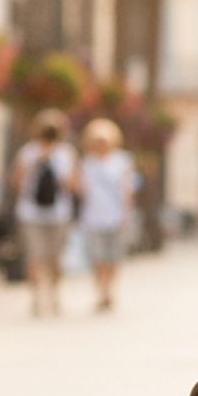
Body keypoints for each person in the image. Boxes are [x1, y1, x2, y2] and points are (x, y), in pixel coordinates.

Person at [10, 109, 81, 316]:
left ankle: (53, 295)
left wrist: (57, 171)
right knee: (35, 257)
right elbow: (16, 181)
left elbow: (73, 185)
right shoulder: (28, 152)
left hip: (58, 213)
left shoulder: (66, 153)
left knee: (54, 258)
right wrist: (34, 166)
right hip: (32, 213)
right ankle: (37, 298)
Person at [79, 118, 135, 311]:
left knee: (113, 257)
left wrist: (126, 214)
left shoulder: (122, 161)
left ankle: (110, 289)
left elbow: (127, 190)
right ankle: (101, 291)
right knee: (97, 257)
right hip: (93, 217)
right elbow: (81, 189)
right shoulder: (87, 163)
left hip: (115, 216)